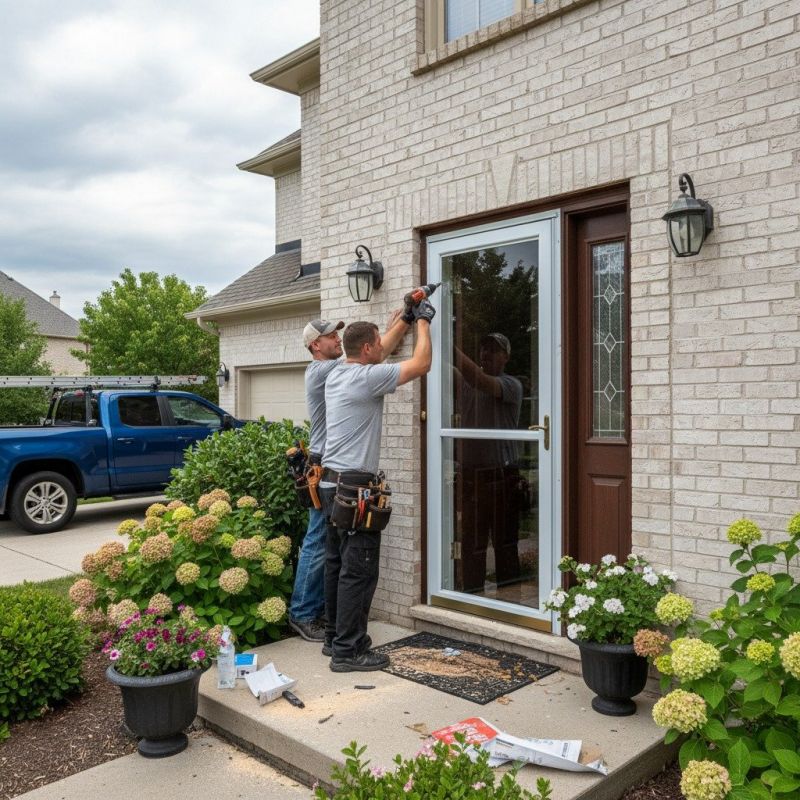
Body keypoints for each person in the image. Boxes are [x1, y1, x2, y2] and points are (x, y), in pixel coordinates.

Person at [320, 300, 435, 672]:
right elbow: (421, 365)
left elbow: (382, 346)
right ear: (367, 350)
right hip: (354, 489)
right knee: (360, 569)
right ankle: (349, 651)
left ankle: (334, 637)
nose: (381, 349)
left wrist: (405, 314)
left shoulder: (337, 371)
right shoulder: (367, 378)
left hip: (329, 483)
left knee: (337, 564)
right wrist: (423, 324)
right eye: (376, 346)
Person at [288, 315, 411, 643]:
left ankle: (330, 623)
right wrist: (406, 320)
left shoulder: (332, 368)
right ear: (316, 345)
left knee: (328, 548)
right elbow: (374, 355)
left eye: (339, 334)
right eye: (330, 336)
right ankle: (302, 613)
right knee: (318, 541)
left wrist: (401, 320)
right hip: (328, 468)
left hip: (328, 465)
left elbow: (372, 353)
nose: (337, 339)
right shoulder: (323, 371)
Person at [454, 332, 524, 594]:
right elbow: (447, 370)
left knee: (505, 544)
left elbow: (478, 378)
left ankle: (511, 601)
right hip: (472, 476)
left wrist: (449, 342)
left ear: (505, 357)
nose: (486, 353)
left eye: (493, 350)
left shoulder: (510, 385)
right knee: (472, 543)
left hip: (502, 476)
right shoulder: (464, 384)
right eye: (483, 348)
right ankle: (472, 597)